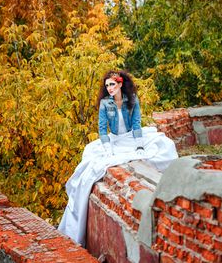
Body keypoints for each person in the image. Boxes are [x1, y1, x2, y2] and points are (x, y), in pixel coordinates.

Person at [58, 70, 178, 246]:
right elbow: (102, 129)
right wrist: (107, 148)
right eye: (107, 85)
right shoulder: (105, 104)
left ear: (121, 84)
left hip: (131, 137)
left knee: (163, 146)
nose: (109, 88)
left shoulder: (133, 100)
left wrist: (138, 145)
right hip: (114, 139)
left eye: (112, 84)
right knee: (94, 160)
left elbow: (136, 124)